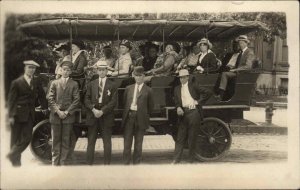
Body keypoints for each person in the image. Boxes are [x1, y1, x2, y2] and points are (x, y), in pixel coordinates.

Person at [7, 60, 48, 167]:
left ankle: (12, 154)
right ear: (25, 68)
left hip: (30, 113)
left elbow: (42, 95)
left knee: (27, 138)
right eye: (30, 67)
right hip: (17, 113)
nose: (31, 70)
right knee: (15, 139)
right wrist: (10, 116)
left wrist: (44, 107)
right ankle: (16, 164)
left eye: (33, 68)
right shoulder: (16, 82)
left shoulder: (36, 81)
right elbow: (11, 101)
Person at [173, 69, 212, 164]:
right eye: (180, 78)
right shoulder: (177, 89)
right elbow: (177, 101)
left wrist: (198, 102)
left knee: (192, 137)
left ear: (187, 77)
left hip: (194, 112)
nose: (182, 79)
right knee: (180, 138)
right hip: (183, 114)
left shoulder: (193, 86)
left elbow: (208, 92)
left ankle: (191, 160)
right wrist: (178, 107)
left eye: (183, 77)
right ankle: (176, 160)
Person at [47, 61, 80, 166]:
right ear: (60, 70)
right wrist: (58, 111)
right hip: (56, 116)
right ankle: (54, 163)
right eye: (64, 69)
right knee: (55, 140)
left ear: (71, 72)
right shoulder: (54, 83)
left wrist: (66, 112)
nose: (66, 72)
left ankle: (63, 163)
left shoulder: (74, 84)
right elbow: (50, 98)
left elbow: (76, 100)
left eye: (68, 70)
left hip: (68, 117)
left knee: (66, 141)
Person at [84, 60, 117, 165]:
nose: (102, 72)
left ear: (107, 71)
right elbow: (86, 99)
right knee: (91, 141)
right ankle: (89, 163)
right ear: (97, 71)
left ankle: (107, 164)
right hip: (93, 115)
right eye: (100, 70)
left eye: (104, 70)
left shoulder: (112, 85)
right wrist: (93, 110)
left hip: (106, 115)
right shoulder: (91, 84)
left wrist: (102, 111)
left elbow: (113, 101)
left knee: (107, 142)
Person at [122, 66, 154, 165]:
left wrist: (143, 114)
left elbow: (150, 107)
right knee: (127, 144)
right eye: (136, 76)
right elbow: (125, 103)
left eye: (140, 76)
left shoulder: (148, 90)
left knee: (138, 144)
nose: (138, 78)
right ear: (134, 76)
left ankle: (137, 164)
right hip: (129, 117)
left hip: (141, 118)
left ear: (144, 76)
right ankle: (126, 164)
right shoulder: (128, 88)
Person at [216, 35, 255, 99]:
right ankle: (222, 94)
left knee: (224, 74)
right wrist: (232, 68)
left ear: (246, 43)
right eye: (239, 43)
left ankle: (221, 95)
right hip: (237, 72)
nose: (240, 45)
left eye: (242, 43)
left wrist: (235, 70)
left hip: (243, 74)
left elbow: (248, 66)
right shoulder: (241, 52)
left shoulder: (249, 52)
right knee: (223, 72)